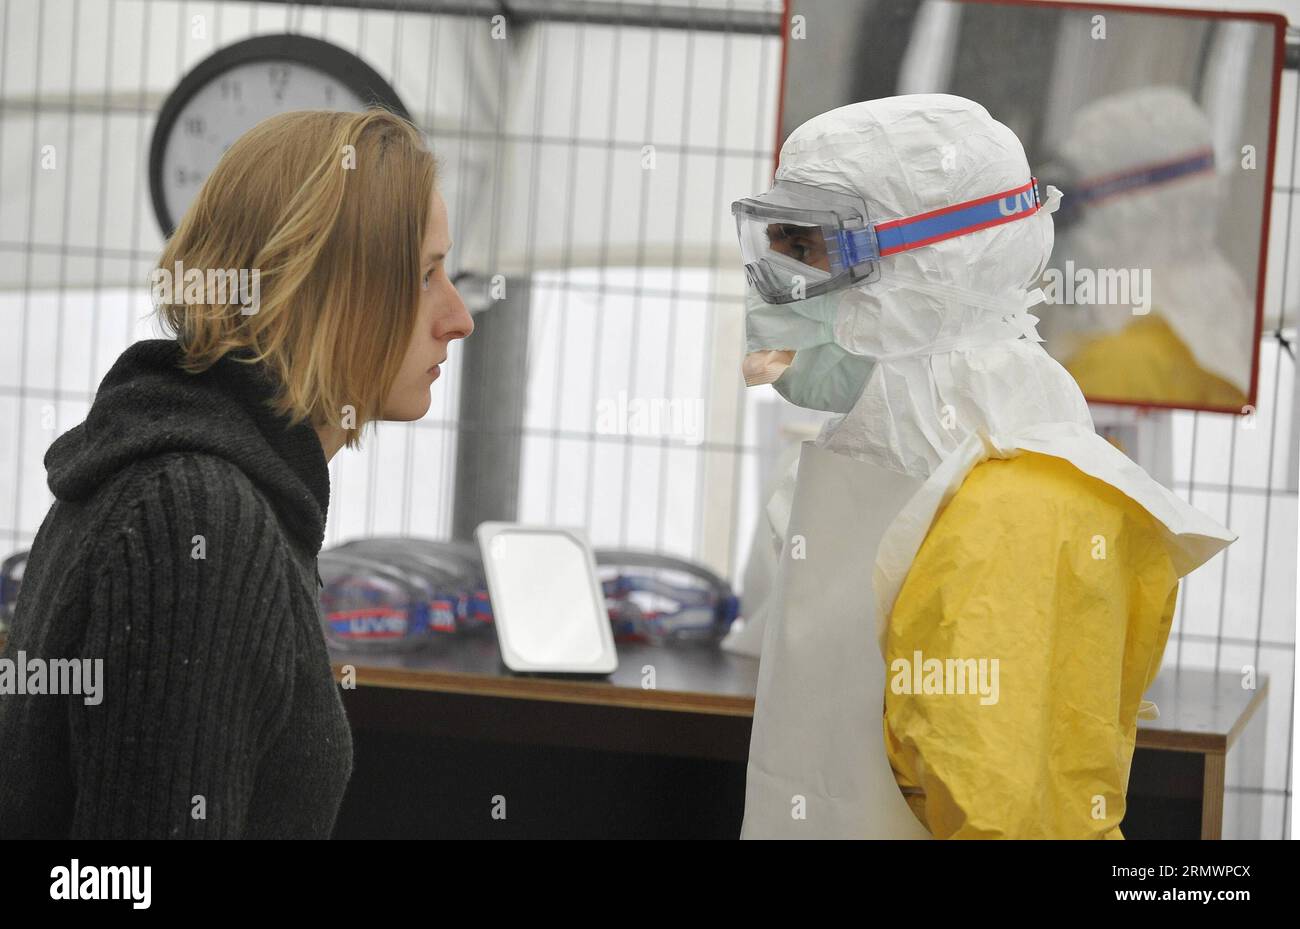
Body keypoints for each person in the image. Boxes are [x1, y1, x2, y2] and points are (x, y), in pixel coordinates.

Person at [733, 94, 1234, 839]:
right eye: (770, 246)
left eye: (804, 249)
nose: (772, 287)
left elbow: (1008, 813)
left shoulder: (1016, 510)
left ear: (924, 267)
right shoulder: (865, 458)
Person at [0, 109, 474, 838]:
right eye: (424, 276)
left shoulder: (177, 469)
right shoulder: (196, 518)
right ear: (320, 291)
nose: (459, 317)